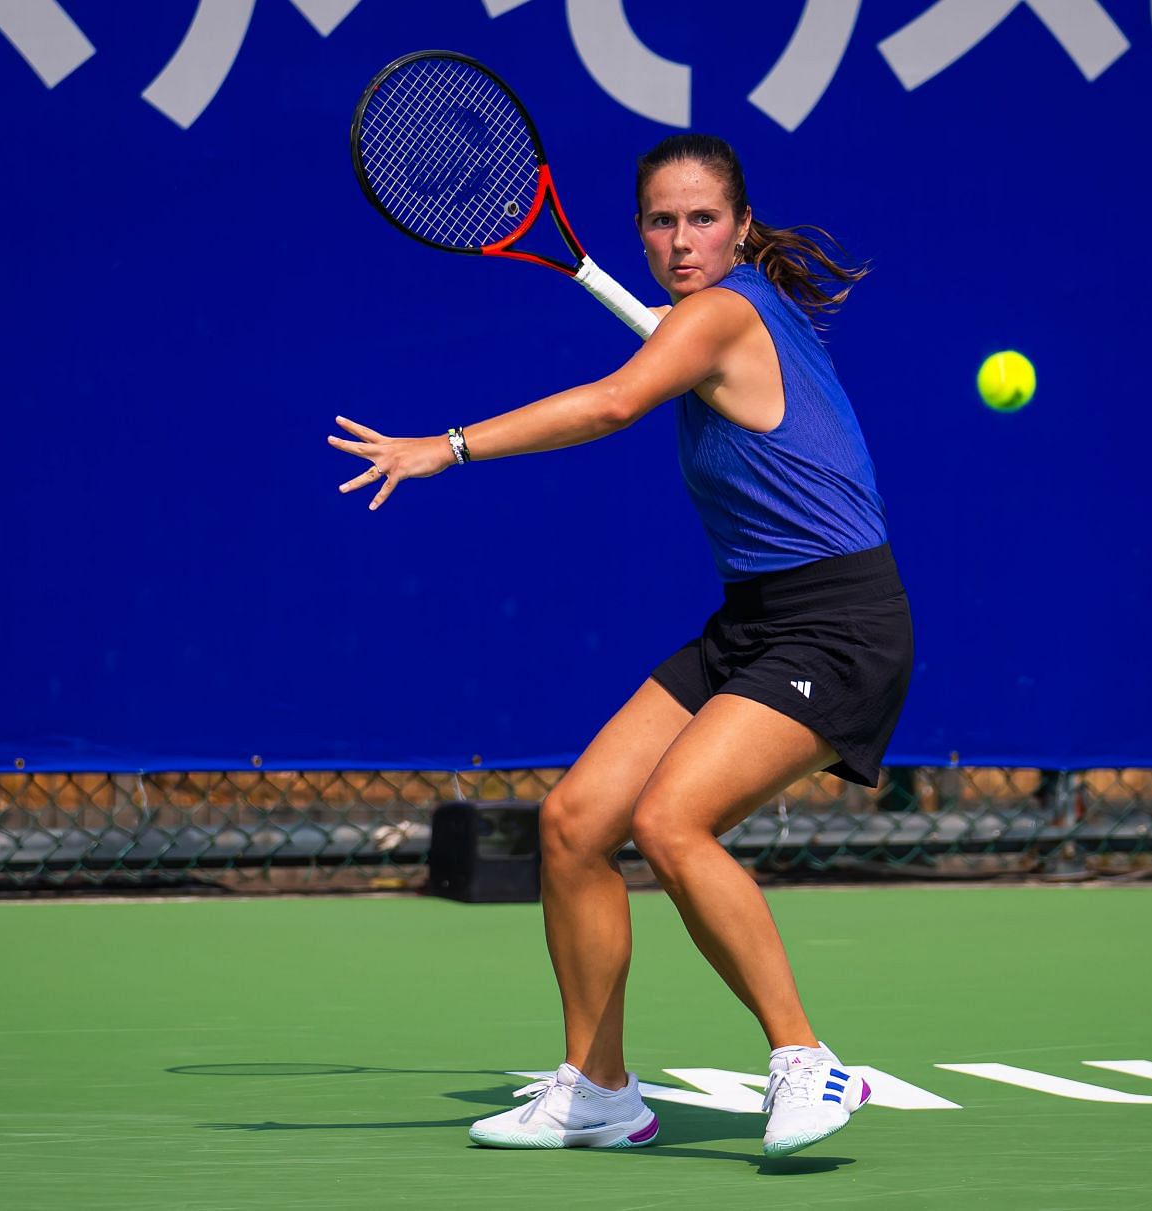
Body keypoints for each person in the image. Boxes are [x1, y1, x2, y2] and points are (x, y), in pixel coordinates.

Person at [328, 134, 912, 1157]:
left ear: (738, 226)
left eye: (700, 219)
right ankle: (599, 1087)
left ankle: (805, 1057)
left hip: (841, 623)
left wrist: (448, 447)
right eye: (660, 220)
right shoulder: (705, 321)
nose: (680, 240)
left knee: (673, 821)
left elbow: (610, 403)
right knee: (575, 821)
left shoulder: (726, 312)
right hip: (754, 619)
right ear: (639, 232)